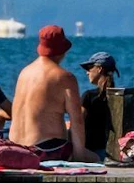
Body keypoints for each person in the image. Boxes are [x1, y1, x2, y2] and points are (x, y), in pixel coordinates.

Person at [10, 25, 94, 161]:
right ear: (62, 51)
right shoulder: (64, 77)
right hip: (44, 150)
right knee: (98, 157)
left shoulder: (24, 73)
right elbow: (77, 120)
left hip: (17, 149)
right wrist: (80, 156)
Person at [78, 50, 121, 159]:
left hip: (91, 153)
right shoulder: (118, 96)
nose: (87, 72)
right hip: (113, 153)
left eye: (89, 68)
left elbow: (78, 123)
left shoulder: (89, 96)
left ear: (99, 68)